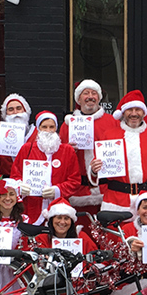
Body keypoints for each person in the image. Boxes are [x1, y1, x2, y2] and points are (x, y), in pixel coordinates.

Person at [90, 91, 147, 214]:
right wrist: (94, 171)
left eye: (138, 110)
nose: (134, 114)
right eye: (129, 110)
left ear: (143, 112)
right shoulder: (109, 135)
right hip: (116, 201)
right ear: (123, 113)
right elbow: (99, 171)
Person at [59, 79, 118, 214]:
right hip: (78, 190)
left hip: (106, 190)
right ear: (79, 99)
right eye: (86, 93)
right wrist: (68, 150)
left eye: (94, 93)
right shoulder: (68, 125)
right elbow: (59, 157)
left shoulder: (112, 122)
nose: (90, 97)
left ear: (99, 98)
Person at [10, 111, 81, 223]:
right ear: (38, 129)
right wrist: (19, 186)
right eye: (44, 127)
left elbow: (75, 181)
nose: (48, 131)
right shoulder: (26, 149)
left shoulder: (67, 151)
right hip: (31, 208)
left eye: (51, 127)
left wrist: (57, 190)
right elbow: (15, 175)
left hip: (58, 210)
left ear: (56, 128)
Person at [0, 93, 34, 178]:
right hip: (6, 182)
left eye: (19, 108)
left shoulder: (36, 135)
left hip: (32, 180)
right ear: (6, 114)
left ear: (26, 111)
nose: (15, 112)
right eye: (11, 109)